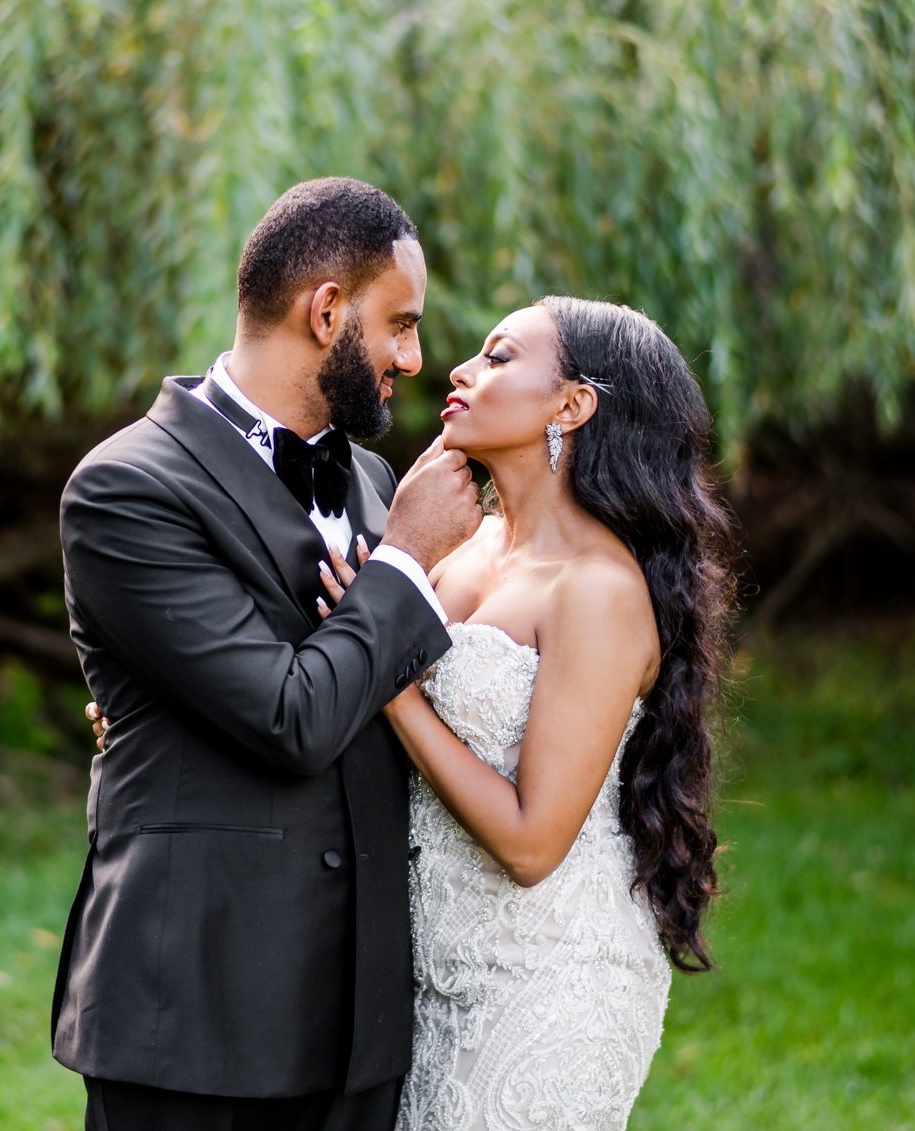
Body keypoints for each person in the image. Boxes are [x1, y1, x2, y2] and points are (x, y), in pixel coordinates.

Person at [50, 176, 483, 1131]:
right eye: (399, 324)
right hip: (197, 1020)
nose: (413, 357)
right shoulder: (126, 488)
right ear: (327, 311)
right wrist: (405, 562)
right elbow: (291, 715)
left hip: (359, 1026)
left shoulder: (370, 478)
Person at [314, 297, 737, 1130]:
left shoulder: (598, 589)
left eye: (500, 358)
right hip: (432, 974)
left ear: (572, 404)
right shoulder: (457, 549)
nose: (460, 371)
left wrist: (394, 687)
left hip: (551, 980)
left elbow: (533, 840)